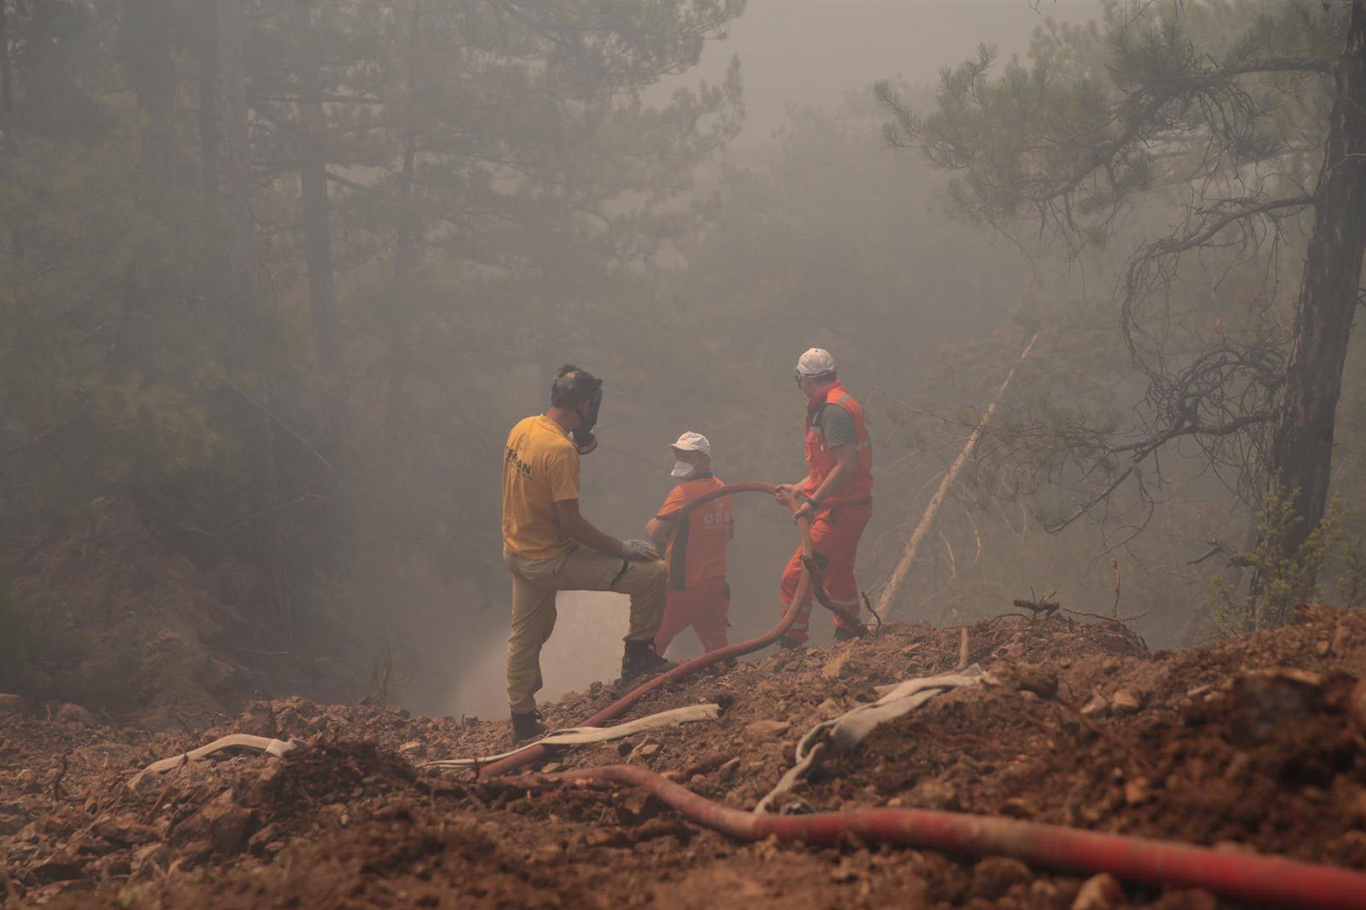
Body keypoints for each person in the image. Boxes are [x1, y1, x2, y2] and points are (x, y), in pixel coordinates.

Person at [501, 365, 674, 744]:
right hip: (551, 559)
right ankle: (638, 658)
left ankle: (523, 723)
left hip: (519, 553)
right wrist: (621, 547)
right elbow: (572, 526)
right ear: (583, 405)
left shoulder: (524, 427)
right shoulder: (561, 451)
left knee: (525, 638)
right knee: (653, 573)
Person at [774, 348, 874, 647]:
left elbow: (846, 466)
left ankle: (791, 643)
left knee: (796, 576)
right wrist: (799, 488)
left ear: (805, 379)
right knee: (839, 576)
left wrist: (812, 503)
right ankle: (850, 634)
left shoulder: (833, 411)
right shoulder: (832, 405)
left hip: (840, 514)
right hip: (846, 508)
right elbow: (827, 469)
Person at [646, 432, 734, 657]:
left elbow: (657, 531)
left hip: (686, 585)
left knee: (651, 643)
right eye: (679, 454)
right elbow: (729, 533)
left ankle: (637, 686)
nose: (681, 460)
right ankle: (722, 685)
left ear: (704, 460)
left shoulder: (684, 492)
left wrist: (651, 525)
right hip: (717, 583)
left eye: (688, 455)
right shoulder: (722, 489)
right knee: (717, 651)